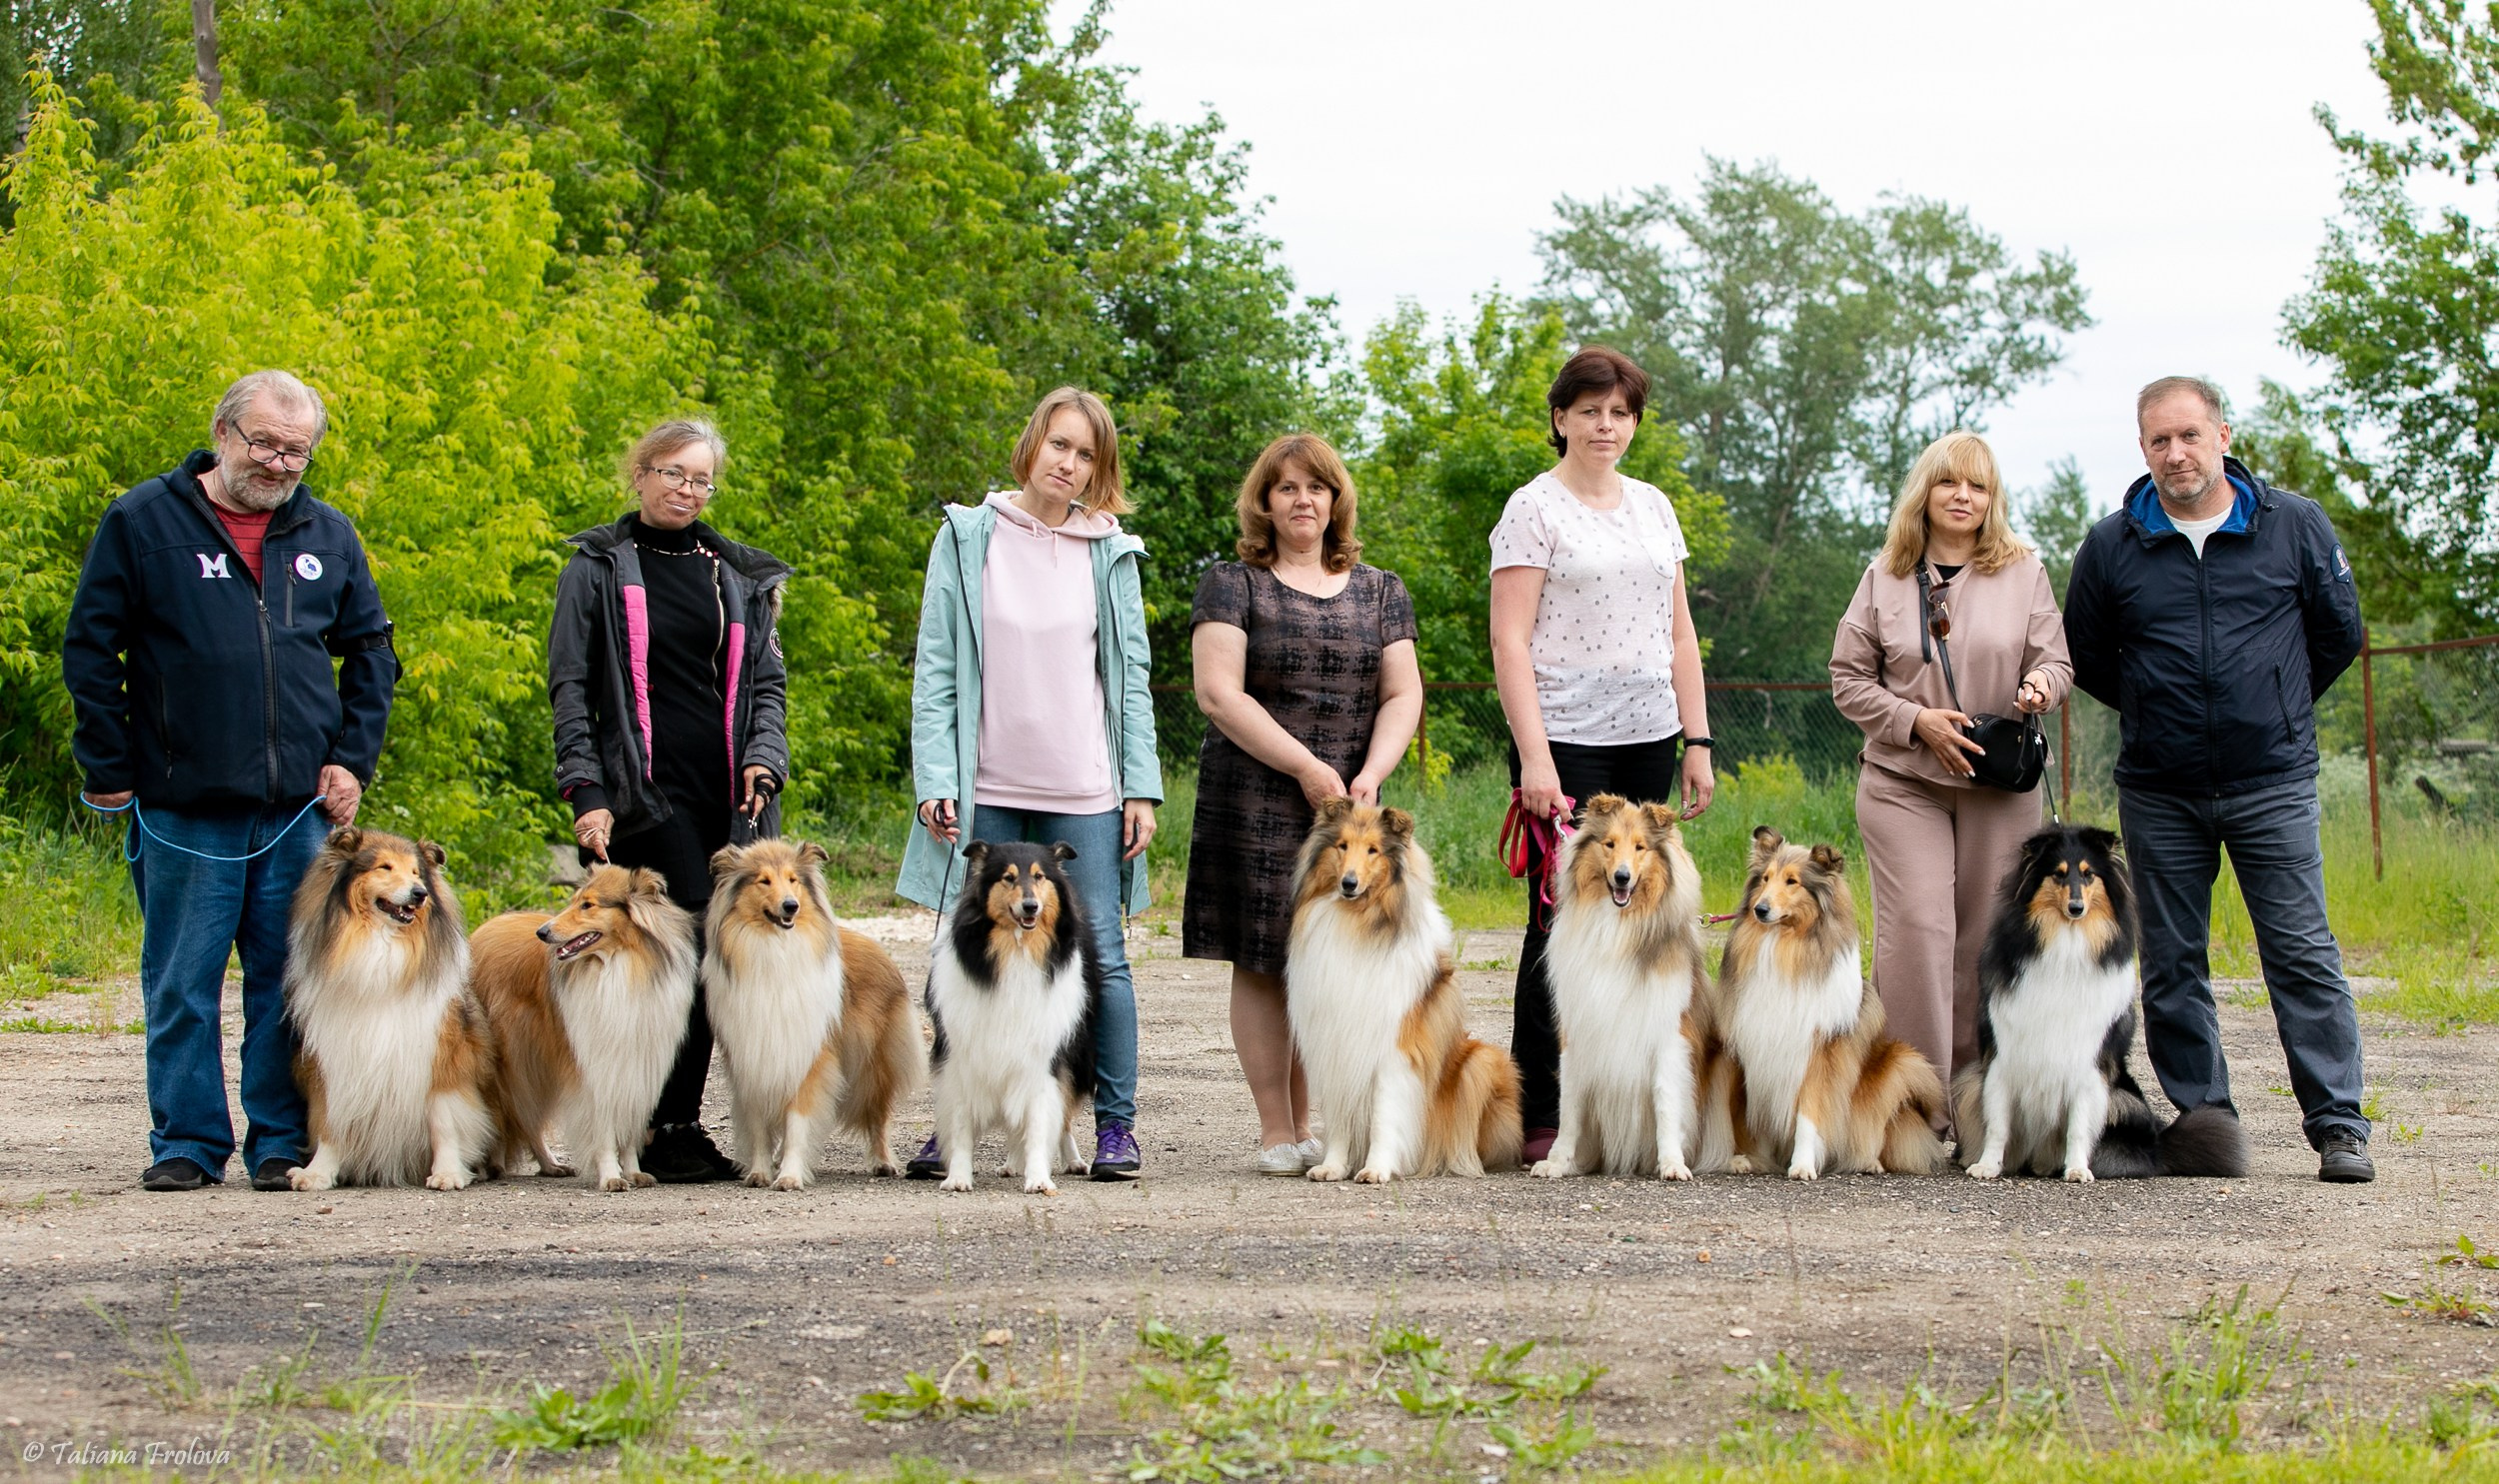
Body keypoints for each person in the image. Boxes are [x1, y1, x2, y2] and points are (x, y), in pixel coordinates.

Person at [63, 370, 397, 1192]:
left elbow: (373, 655)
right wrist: (108, 767)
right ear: (222, 434)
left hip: (298, 814)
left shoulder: (328, 531)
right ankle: (186, 1140)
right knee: (183, 982)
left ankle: (279, 1139)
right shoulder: (143, 520)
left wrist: (351, 759)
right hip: (185, 805)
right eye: (265, 443)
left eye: (297, 450)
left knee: (287, 985)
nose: (280, 464)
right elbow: (89, 648)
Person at [2064, 375, 2373, 1183]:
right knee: (2171, 962)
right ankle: (2211, 1125)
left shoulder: (2293, 525)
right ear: (2143, 449)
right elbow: (2090, 656)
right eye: (2160, 440)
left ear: (2223, 436)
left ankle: (2339, 1125)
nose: (2177, 453)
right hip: (2160, 788)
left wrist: (2274, 704)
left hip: (2272, 778)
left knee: (2301, 950)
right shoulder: (2110, 546)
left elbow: (2339, 634)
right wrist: (2157, 709)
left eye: (2190, 435)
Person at [899, 387, 1162, 1180]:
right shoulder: (969, 534)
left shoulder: (1110, 550)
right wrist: (936, 777)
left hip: (1085, 787)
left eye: (1086, 454)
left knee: (1103, 959)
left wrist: (1139, 786)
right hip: (986, 783)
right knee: (966, 949)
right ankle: (956, 1125)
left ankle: (1116, 1125)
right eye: (1059, 446)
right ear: (1032, 445)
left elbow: (1132, 679)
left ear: (1099, 467)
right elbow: (937, 665)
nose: (1069, 465)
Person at [549, 417, 790, 1183]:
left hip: (733, 797)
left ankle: (673, 1121)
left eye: (701, 478)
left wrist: (764, 759)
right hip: (645, 796)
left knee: (721, 960)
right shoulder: (596, 565)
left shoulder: (737, 573)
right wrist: (586, 791)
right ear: (641, 473)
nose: (687, 489)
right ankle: (659, 1123)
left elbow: (767, 686)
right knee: (671, 955)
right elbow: (570, 688)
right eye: (674, 473)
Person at [1488, 346, 1714, 1161]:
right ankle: (1543, 1111)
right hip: (1567, 742)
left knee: (1641, 921)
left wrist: (1698, 737)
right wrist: (1534, 758)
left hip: (1649, 732)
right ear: (1561, 419)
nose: (1605, 425)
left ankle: (1628, 1108)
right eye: (1589, 411)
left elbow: (1680, 632)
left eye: (1619, 412)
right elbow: (1510, 640)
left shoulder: (1655, 506)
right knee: (1559, 927)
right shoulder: (1533, 509)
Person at [1188, 434, 1422, 1175]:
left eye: (1316, 488)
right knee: (1263, 960)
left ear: (1335, 500)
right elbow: (1218, 692)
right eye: (1286, 488)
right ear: (1264, 501)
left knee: (1331, 965)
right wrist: (1302, 765)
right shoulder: (1233, 583)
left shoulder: (1381, 589)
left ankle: (1325, 1123)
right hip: (1256, 790)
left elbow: (1403, 691)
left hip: (1352, 810)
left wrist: (1372, 772)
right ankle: (1275, 1128)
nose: (1302, 500)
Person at [1829, 431, 2069, 1110]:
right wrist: (1914, 721)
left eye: (1978, 485)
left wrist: (2040, 687)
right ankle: (1913, 1102)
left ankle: (1978, 1101)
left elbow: (2056, 661)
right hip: (1904, 780)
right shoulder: (1884, 575)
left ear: (1993, 499)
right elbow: (1847, 677)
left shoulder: (2024, 571)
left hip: (1998, 783)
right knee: (1918, 933)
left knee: (1985, 937)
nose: (1963, 496)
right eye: (1949, 482)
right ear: (1925, 492)